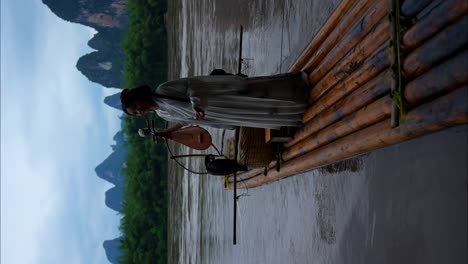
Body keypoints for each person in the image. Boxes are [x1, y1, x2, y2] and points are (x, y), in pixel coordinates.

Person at [120, 70, 309, 130]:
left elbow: (191, 85)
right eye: (136, 113)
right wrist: (167, 133)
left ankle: (296, 92)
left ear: (139, 96)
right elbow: (184, 121)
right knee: (256, 114)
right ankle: (294, 113)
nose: (139, 111)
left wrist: (196, 104)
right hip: (219, 114)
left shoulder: (163, 90)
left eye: (136, 107)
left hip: (218, 100)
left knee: (257, 96)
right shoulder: (161, 113)